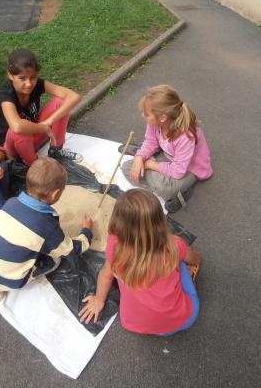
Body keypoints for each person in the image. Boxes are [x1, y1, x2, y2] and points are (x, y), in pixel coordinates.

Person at [79, 188, 201, 335]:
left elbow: (106, 274)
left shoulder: (114, 245)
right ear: (159, 221)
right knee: (181, 262)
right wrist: (196, 258)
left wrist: (99, 300)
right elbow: (194, 259)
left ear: (118, 222)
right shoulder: (173, 246)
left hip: (133, 323)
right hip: (181, 320)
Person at [0, 157, 93, 302]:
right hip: (14, 279)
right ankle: (20, 278)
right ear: (55, 194)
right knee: (55, 259)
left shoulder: (11, 202)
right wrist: (86, 232)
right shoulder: (47, 226)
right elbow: (71, 250)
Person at [122, 84, 212, 212]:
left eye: (146, 114)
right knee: (127, 167)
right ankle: (156, 184)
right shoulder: (154, 123)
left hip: (191, 168)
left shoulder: (186, 136)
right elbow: (150, 142)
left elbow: (178, 171)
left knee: (164, 187)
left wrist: (147, 164)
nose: (143, 115)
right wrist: (139, 157)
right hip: (169, 158)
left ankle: (179, 193)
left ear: (163, 118)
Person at [0, 48, 82, 166]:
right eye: (22, 78)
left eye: (33, 77)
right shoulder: (6, 94)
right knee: (19, 130)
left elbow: (74, 96)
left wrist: (48, 122)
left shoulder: (38, 84)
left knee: (60, 102)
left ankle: (56, 150)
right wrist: (44, 128)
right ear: (10, 75)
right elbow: (17, 126)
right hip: (11, 149)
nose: (29, 84)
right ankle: (33, 165)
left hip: (33, 134)